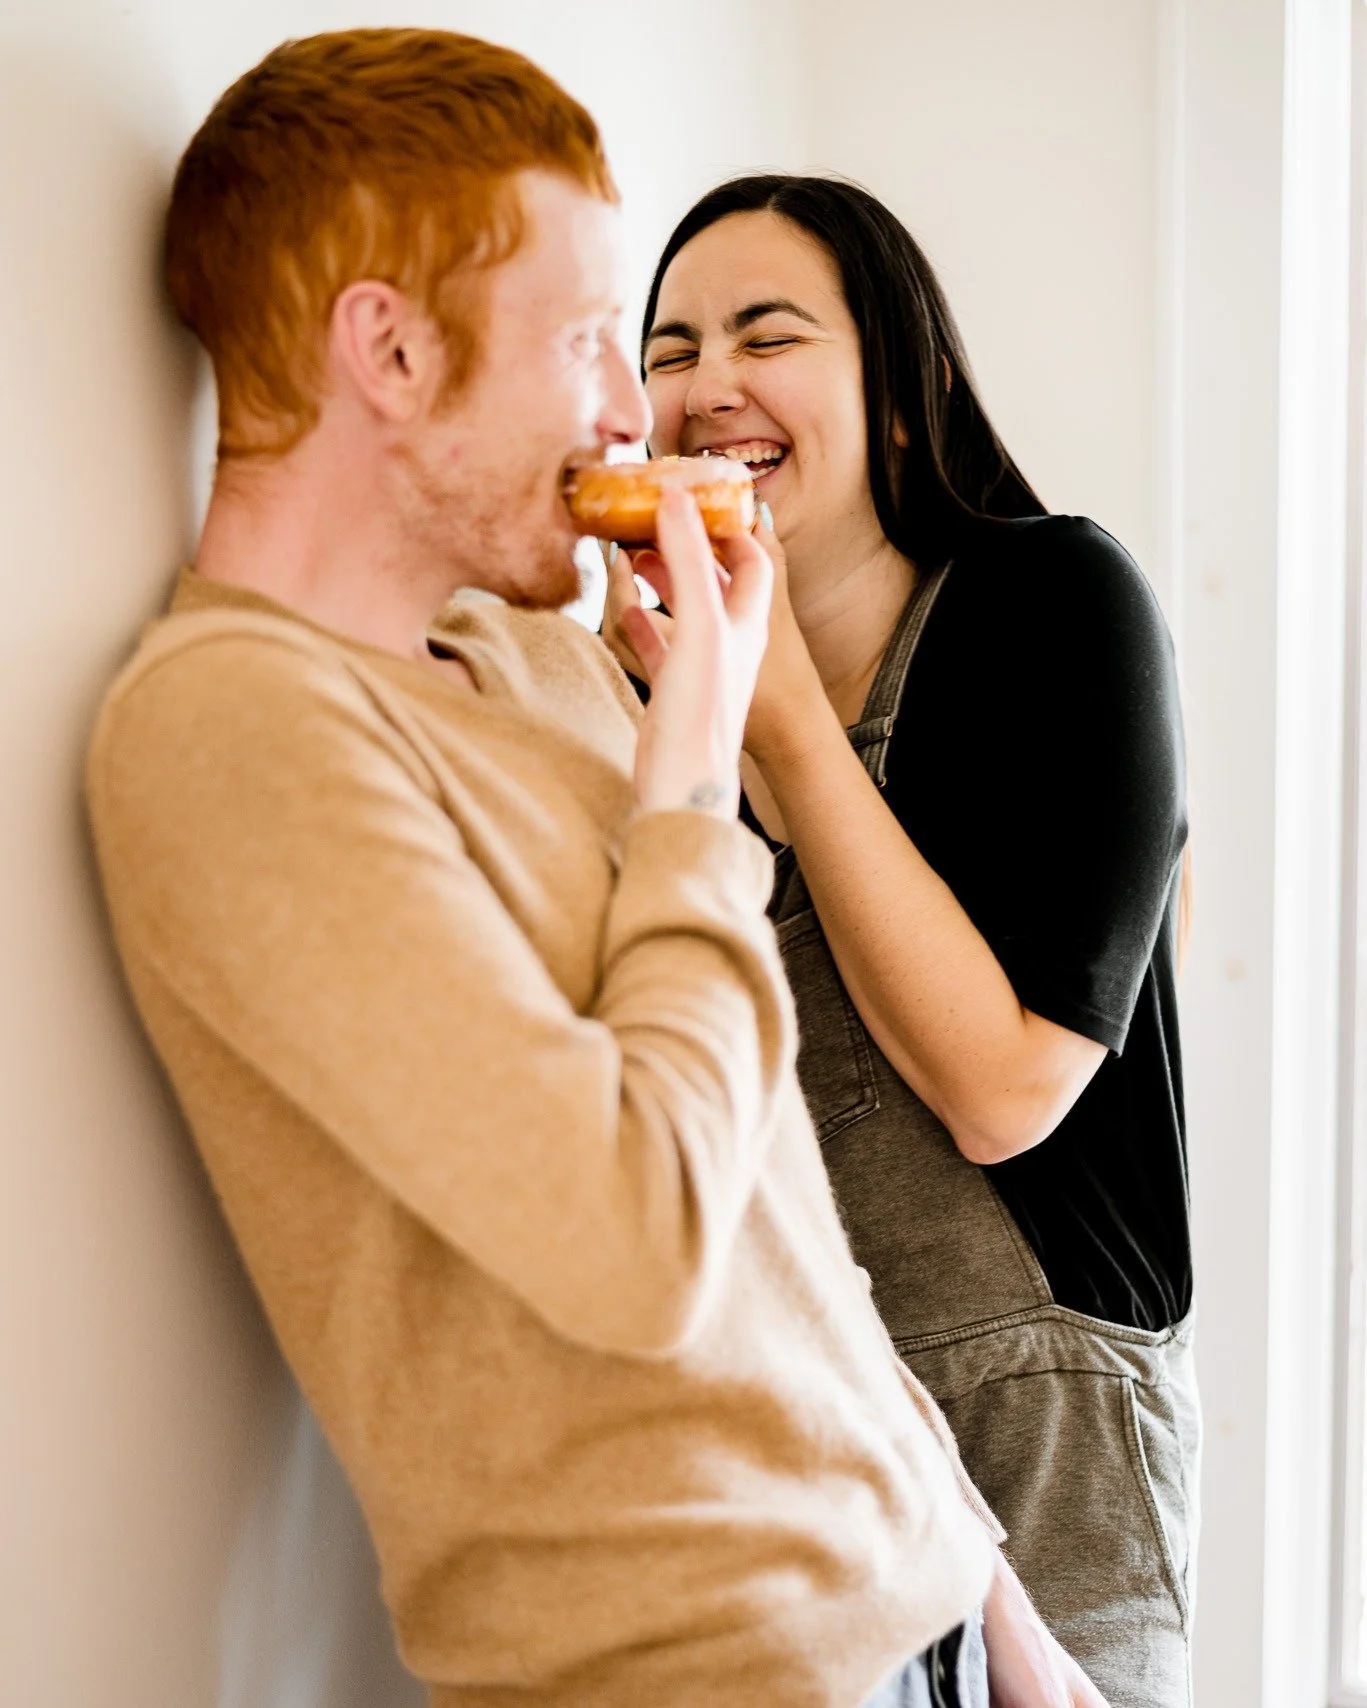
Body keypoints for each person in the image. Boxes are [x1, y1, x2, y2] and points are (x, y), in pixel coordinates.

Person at [84, 31, 1105, 1708]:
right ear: (390, 351)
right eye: (582, 339)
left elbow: (776, 1217)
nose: (637, 412)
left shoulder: (544, 664)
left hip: (921, 1628)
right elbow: (636, 1237)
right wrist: (697, 777)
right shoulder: (229, 729)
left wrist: (990, 1602)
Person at [607, 175, 1198, 1708]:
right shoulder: (648, 683)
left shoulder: (1053, 604)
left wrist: (785, 721)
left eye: (765, 333)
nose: (704, 385)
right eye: (667, 349)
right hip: (784, 1433)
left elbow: (1007, 1089)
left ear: (896, 393)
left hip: (1041, 1434)